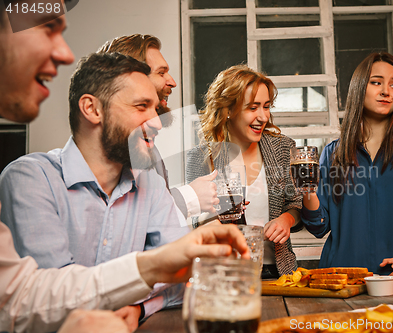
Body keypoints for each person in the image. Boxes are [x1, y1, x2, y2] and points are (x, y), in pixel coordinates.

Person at [0, 4, 250, 332]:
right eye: (141, 107)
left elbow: (180, 281)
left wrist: (140, 306)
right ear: (92, 109)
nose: (158, 123)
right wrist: (153, 271)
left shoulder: (148, 183)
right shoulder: (31, 178)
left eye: (156, 107)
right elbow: (48, 301)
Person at [301, 52, 393, 276]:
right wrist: (308, 191)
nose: (386, 91)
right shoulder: (333, 153)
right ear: (360, 88)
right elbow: (319, 226)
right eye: (376, 82)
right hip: (341, 280)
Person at [186, 65, 302, 278]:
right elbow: (196, 220)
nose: (263, 116)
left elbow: (296, 203)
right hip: (226, 274)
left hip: (279, 272)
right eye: (252, 108)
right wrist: (218, 220)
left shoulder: (283, 148)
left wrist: (287, 219)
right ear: (228, 110)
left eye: (266, 106)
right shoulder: (202, 157)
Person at [97, 34, 218, 219]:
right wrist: (190, 196)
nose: (172, 82)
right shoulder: (115, 144)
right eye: (161, 73)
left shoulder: (146, 141)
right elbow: (130, 219)